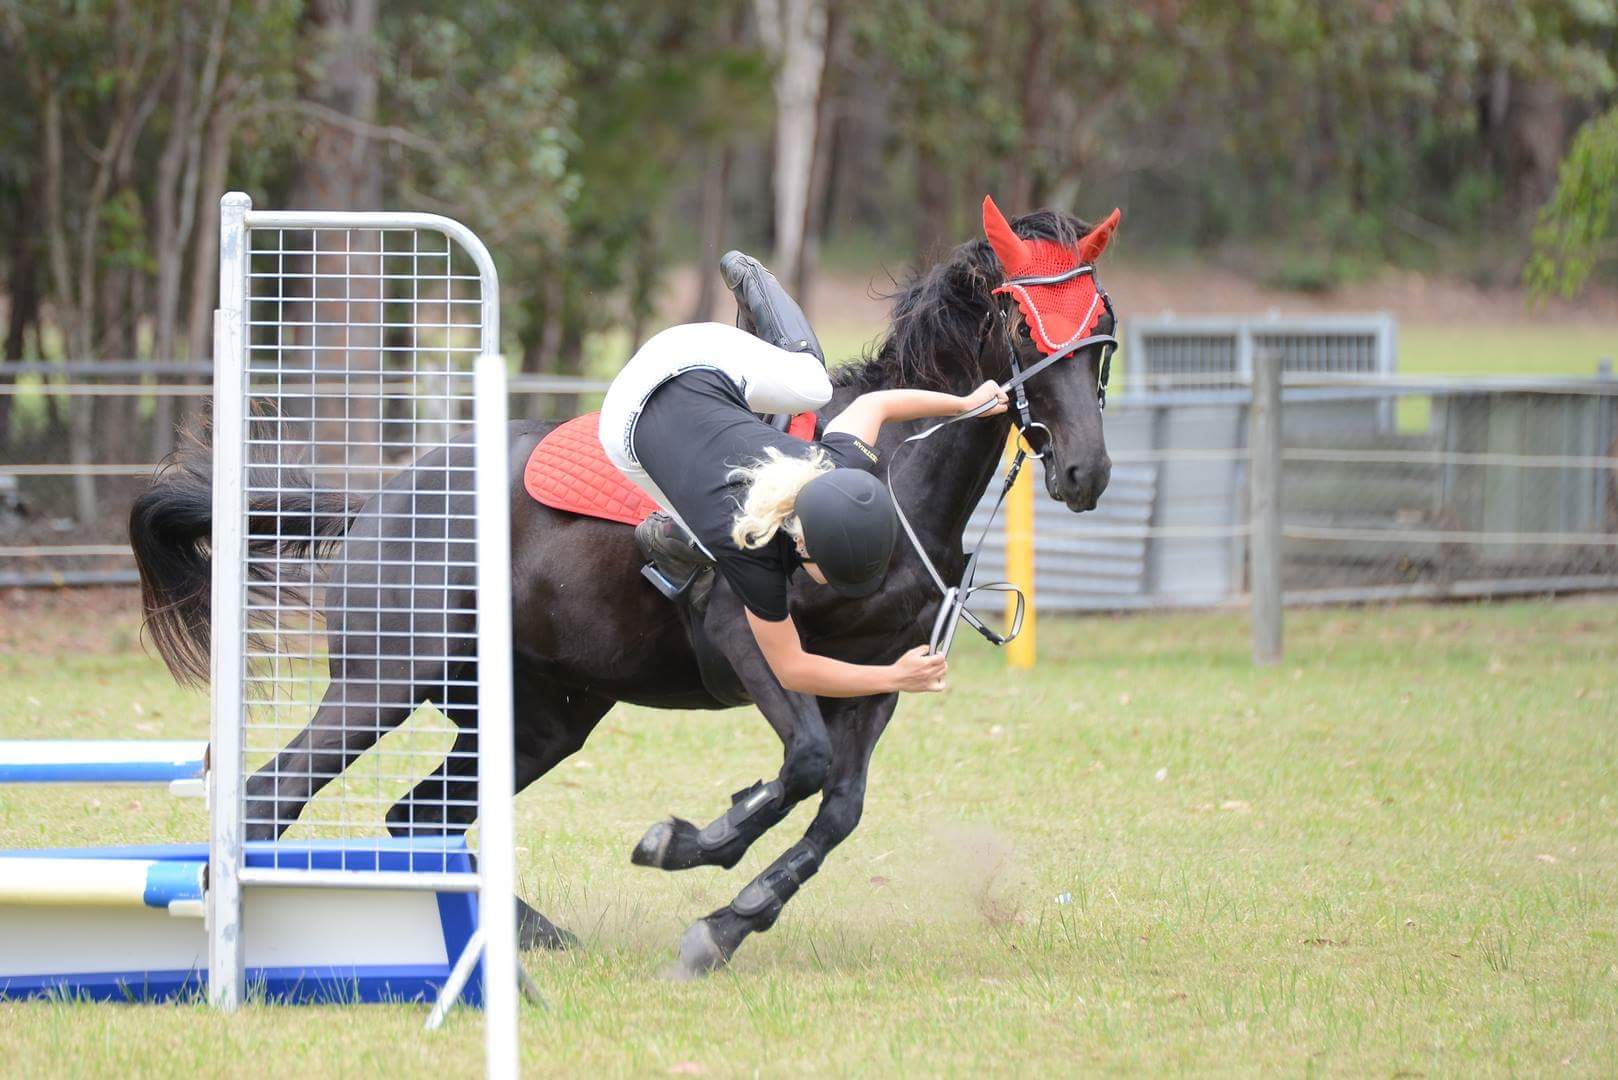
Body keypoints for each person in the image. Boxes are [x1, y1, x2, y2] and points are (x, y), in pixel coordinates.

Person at [599, 320, 1006, 698]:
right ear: (803, 543)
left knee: (813, 390)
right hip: (628, 411)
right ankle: (673, 533)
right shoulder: (752, 550)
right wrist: (895, 677)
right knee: (813, 390)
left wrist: (965, 403)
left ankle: (677, 532)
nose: (832, 583)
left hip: (689, 360)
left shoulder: (838, 467)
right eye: (832, 574)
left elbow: (876, 405)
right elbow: (792, 669)